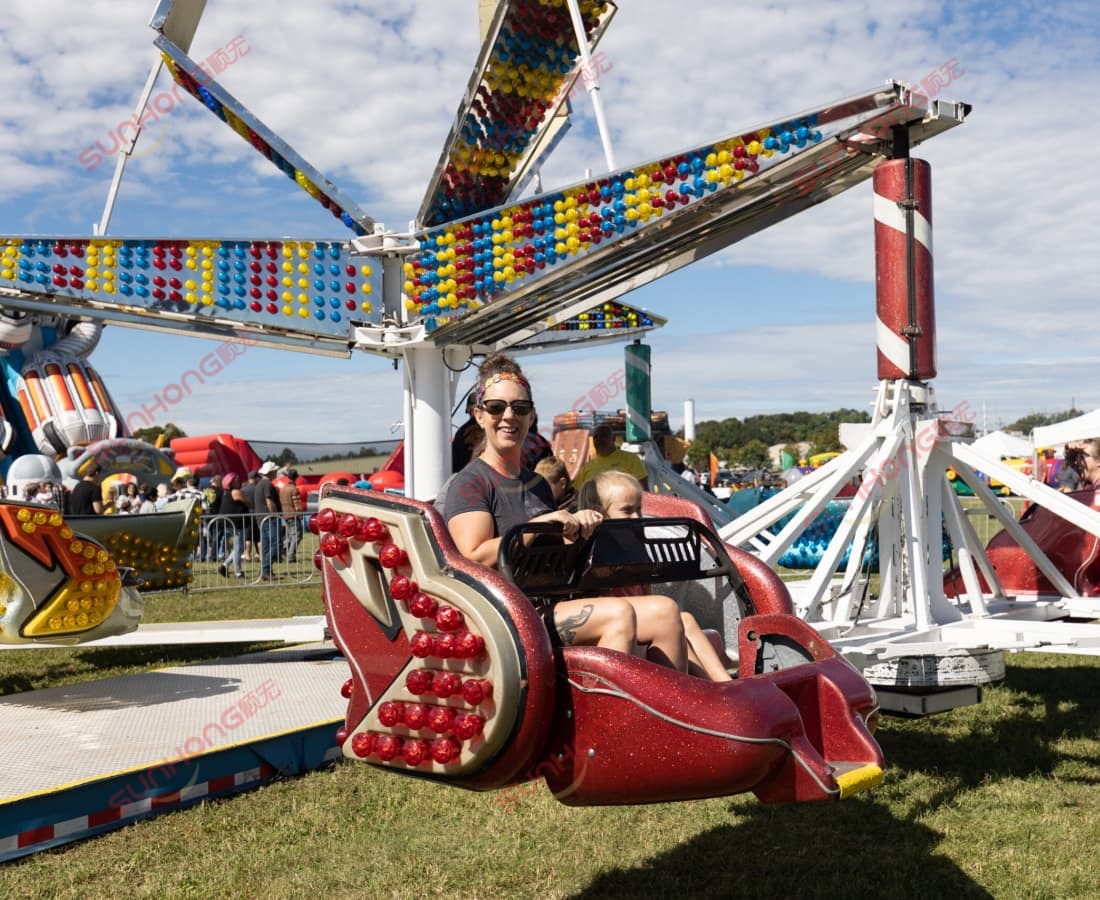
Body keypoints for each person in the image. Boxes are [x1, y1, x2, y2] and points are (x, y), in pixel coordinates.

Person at [444, 354, 690, 673]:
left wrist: (580, 526)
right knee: (618, 614)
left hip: (548, 605)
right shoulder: (470, 484)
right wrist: (540, 524)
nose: (509, 416)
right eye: (496, 407)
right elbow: (473, 560)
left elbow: (554, 546)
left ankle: (666, 717)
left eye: (519, 408)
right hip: (502, 617)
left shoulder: (536, 485)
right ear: (479, 415)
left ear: (531, 416)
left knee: (665, 611)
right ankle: (613, 723)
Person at [577, 470, 733, 682]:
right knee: (672, 617)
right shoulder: (594, 547)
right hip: (617, 620)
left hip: (640, 616)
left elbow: (645, 591)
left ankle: (721, 682)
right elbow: (592, 592)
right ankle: (703, 686)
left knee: (685, 619)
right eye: (627, 510)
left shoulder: (635, 546)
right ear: (599, 513)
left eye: (639, 510)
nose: (636, 517)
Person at [572, 423, 648, 491]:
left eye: (603, 436)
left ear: (613, 438)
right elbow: (578, 493)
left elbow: (643, 489)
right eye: (596, 437)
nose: (599, 440)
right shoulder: (587, 466)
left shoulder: (631, 459)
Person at [217, 473, 250, 579]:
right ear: (230, 482)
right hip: (236, 524)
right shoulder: (236, 492)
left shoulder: (226, 493)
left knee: (238, 548)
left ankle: (224, 566)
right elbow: (248, 503)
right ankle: (238, 572)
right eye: (236, 480)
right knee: (239, 548)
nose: (239, 481)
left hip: (230, 523)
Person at [256, 461, 282, 581]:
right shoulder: (267, 484)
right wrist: (276, 515)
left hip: (261, 519)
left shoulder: (260, 484)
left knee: (266, 546)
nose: (276, 473)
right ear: (271, 472)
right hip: (269, 519)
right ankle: (266, 568)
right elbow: (269, 501)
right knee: (277, 544)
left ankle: (266, 571)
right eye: (275, 471)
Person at [451, 391, 483, 473]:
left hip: (468, 479)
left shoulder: (461, 433)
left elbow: (455, 466)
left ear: (469, 410)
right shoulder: (493, 430)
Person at [279, 468, 304, 563]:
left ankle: (284, 548)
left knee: (289, 535)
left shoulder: (283, 489)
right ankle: (290, 556)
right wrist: (300, 514)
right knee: (297, 536)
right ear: (296, 477)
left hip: (285, 515)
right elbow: (297, 503)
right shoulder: (294, 489)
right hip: (293, 515)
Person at [240, 471, 260, 561]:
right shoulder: (259, 488)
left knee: (248, 537)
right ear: (256, 478)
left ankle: (247, 554)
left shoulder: (243, 489)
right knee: (258, 537)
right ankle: (260, 555)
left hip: (247, 515)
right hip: (258, 514)